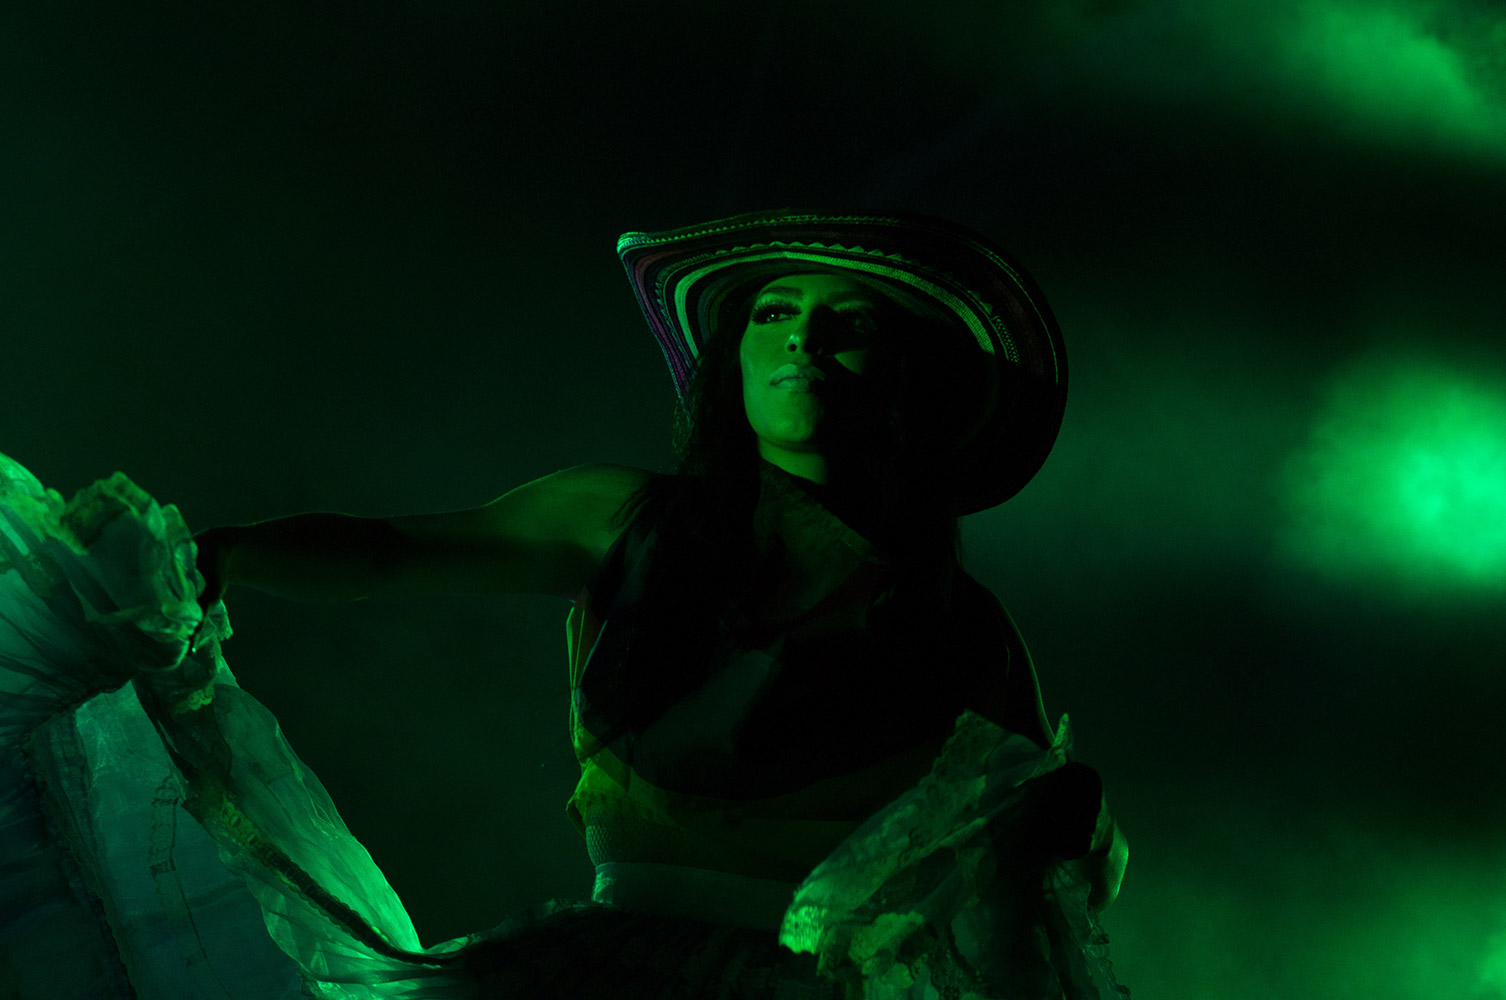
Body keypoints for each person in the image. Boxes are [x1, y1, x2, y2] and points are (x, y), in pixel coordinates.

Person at [0, 208, 1129, 999]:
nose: (801, 338)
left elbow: (1035, 899)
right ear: (733, 358)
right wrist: (235, 550)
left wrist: (1058, 824)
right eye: (774, 313)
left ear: (906, 378)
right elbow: (392, 551)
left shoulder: (959, 629)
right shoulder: (623, 520)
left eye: (850, 323)